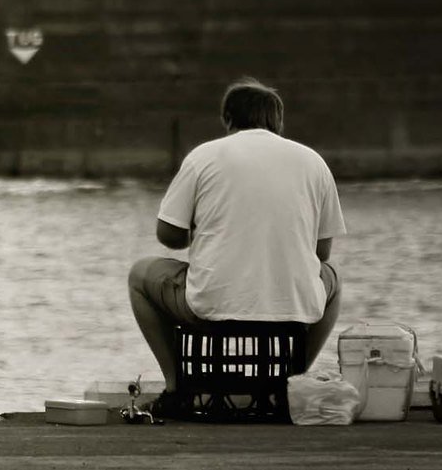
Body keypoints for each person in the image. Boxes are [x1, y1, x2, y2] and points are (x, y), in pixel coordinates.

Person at [129, 78, 345, 401]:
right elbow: (322, 251)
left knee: (138, 277)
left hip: (212, 307)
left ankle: (177, 388)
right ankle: (292, 383)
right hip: (293, 309)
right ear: (278, 121)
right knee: (334, 280)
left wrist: (206, 235)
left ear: (227, 119)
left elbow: (167, 234)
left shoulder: (203, 157)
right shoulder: (314, 162)